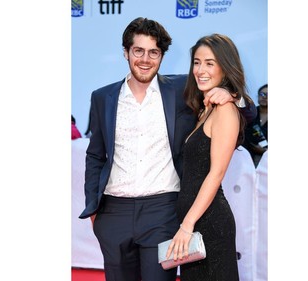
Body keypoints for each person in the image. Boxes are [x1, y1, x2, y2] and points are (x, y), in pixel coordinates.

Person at [78, 17, 256, 281]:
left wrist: (233, 97)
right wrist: (93, 206)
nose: (145, 59)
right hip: (113, 212)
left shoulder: (181, 90)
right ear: (126, 52)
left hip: (162, 211)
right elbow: (95, 155)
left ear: (162, 56)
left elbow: (248, 112)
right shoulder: (102, 97)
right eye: (138, 51)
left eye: (154, 52)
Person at [165, 33, 252, 281]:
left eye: (210, 63)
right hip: (194, 222)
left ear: (226, 67)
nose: (201, 70)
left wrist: (187, 224)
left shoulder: (225, 108)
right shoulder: (205, 108)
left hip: (208, 223)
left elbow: (216, 174)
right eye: (196, 62)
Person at [242, 84, 268, 167]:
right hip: (245, 156)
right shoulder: (250, 113)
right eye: (262, 94)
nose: (264, 97)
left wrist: (265, 151)